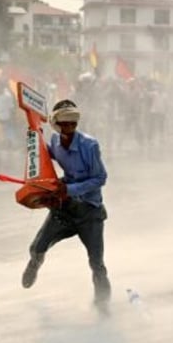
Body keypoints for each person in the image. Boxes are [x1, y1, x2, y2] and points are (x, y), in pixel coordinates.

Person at [21, 99, 111, 310]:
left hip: (90, 211)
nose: (69, 128)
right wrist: (34, 137)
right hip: (65, 208)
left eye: (73, 123)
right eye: (64, 124)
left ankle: (104, 303)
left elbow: (100, 178)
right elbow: (43, 156)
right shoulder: (55, 143)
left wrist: (70, 189)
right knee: (36, 247)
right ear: (56, 124)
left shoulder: (90, 145)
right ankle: (35, 264)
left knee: (96, 263)